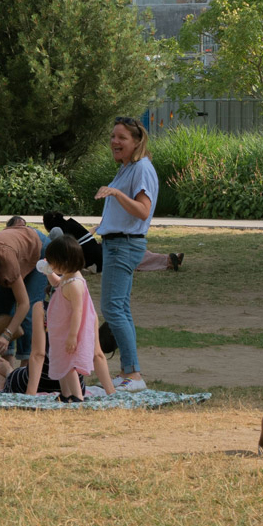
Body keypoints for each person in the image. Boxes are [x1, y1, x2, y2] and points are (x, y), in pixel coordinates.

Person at [96, 116, 160, 392]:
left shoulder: (141, 168)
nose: (115, 141)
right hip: (117, 243)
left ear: (137, 141)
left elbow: (143, 210)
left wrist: (116, 194)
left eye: (122, 137)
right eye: (113, 136)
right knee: (119, 307)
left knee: (112, 308)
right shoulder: (128, 168)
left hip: (124, 246)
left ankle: (133, 375)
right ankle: (129, 372)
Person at [0, 217, 49, 395]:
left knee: (30, 312)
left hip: (37, 248)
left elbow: (23, 304)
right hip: (14, 249)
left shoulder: (6, 264)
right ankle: (8, 372)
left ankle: (27, 372)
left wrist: (6, 335)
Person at [42, 235, 114, 401]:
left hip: (75, 327)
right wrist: (48, 272)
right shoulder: (67, 277)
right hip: (65, 327)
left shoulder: (75, 283)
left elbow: (78, 311)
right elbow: (57, 283)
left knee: (71, 361)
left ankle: (78, 396)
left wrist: (73, 335)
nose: (52, 266)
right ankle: (66, 393)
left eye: (54, 263)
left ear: (65, 262)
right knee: (62, 360)